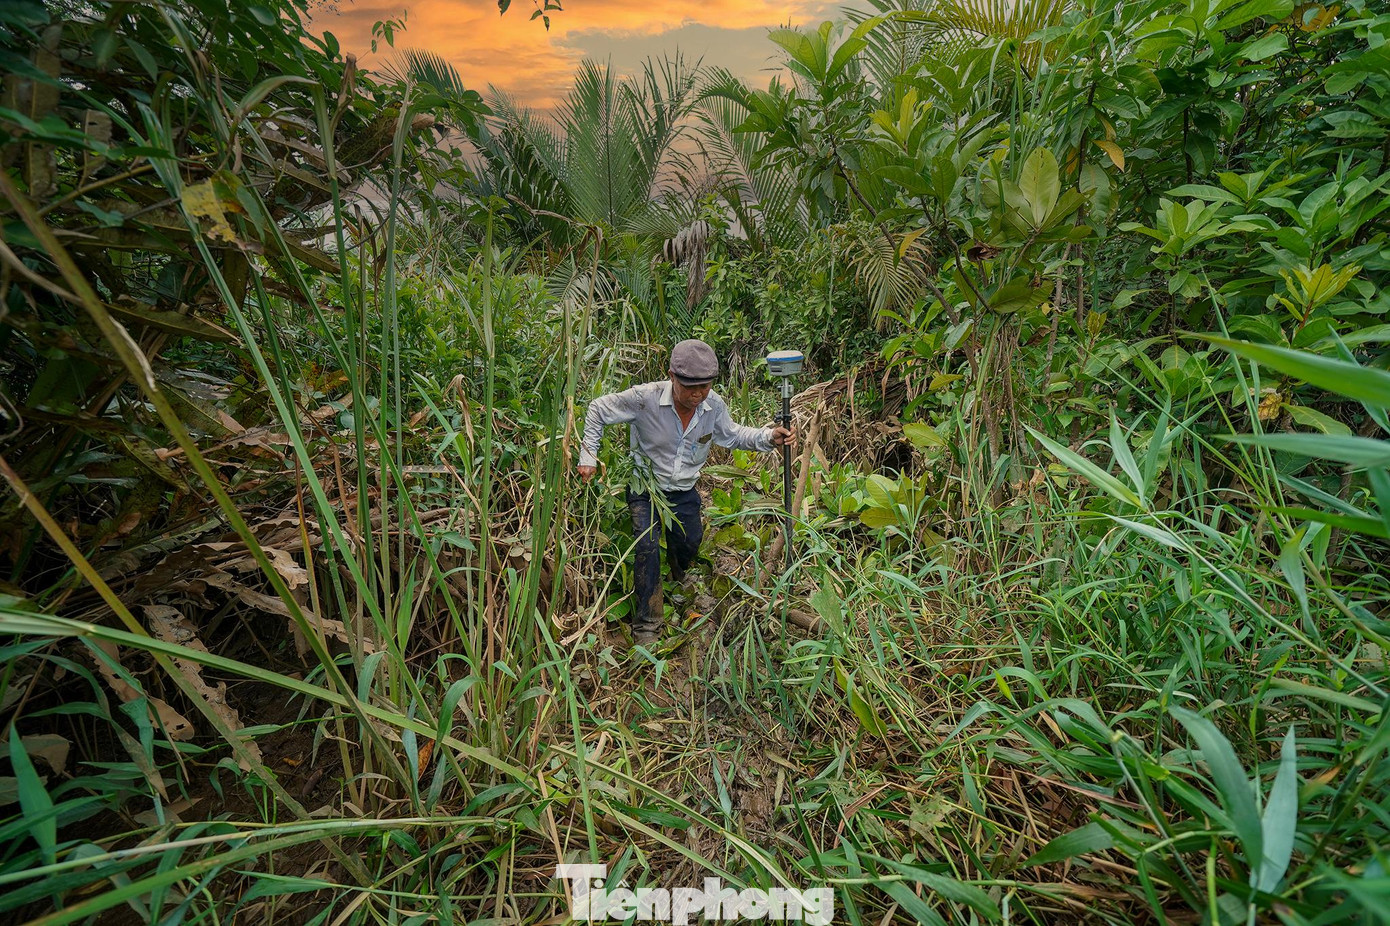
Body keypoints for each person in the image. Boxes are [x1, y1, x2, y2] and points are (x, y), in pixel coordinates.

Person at [577, 339, 797, 645]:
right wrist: (588, 456)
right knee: (647, 547)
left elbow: (733, 435)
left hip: (683, 489)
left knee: (689, 542)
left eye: (704, 386)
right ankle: (648, 625)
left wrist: (768, 436)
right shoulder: (645, 399)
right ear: (671, 376)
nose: (697, 394)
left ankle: (678, 578)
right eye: (689, 387)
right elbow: (598, 408)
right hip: (646, 488)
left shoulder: (713, 406)